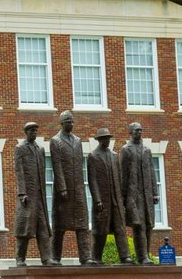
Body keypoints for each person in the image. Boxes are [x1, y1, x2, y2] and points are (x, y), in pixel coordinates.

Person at [49, 110, 97, 265]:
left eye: (72, 121)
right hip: (63, 190)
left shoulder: (77, 141)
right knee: (59, 226)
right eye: (68, 121)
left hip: (78, 189)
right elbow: (57, 166)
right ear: (61, 123)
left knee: (82, 223)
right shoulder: (55, 141)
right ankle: (55, 257)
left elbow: (80, 166)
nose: (71, 123)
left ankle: (86, 257)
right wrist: (62, 188)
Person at [87, 127, 132, 264]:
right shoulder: (93, 156)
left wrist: (122, 199)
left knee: (120, 228)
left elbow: (119, 178)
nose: (107, 140)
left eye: (108, 138)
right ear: (99, 140)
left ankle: (125, 256)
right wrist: (97, 200)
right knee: (101, 230)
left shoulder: (114, 155)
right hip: (102, 200)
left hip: (116, 199)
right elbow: (92, 180)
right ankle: (96, 257)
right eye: (104, 138)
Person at [14, 121, 55, 266]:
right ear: (26, 132)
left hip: (40, 197)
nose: (34, 133)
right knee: (25, 228)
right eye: (31, 130)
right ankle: (20, 258)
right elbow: (19, 172)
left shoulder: (40, 150)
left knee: (43, 228)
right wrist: (22, 193)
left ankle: (46, 258)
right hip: (27, 196)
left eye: (36, 130)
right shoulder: (20, 148)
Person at [120, 122, 160, 264]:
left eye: (141, 130)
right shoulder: (126, 150)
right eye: (136, 130)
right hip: (134, 195)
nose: (139, 132)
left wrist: (155, 192)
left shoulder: (147, 150)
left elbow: (152, 172)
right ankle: (142, 257)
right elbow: (123, 175)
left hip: (147, 194)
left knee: (149, 225)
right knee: (139, 225)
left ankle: (146, 255)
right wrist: (123, 198)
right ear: (130, 132)